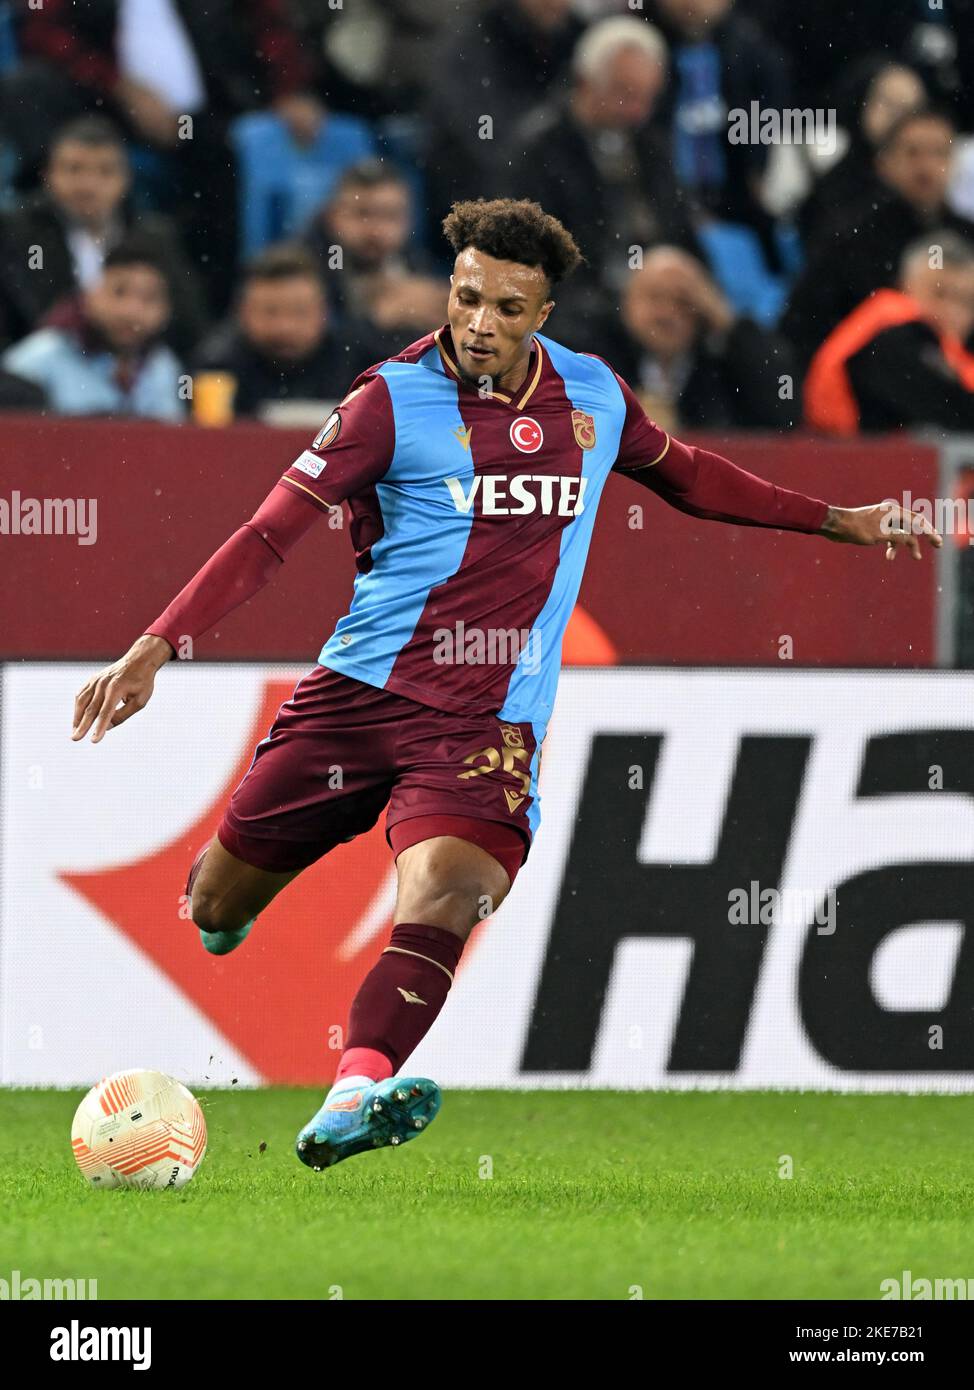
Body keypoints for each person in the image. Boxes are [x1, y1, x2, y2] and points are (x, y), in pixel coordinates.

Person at [71, 199, 940, 1170]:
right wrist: (155, 644)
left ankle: (351, 1089)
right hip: (355, 699)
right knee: (218, 909)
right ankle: (228, 916)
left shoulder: (594, 395)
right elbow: (270, 530)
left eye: (508, 307)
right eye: (467, 296)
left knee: (449, 890)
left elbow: (689, 475)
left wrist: (839, 522)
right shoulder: (386, 402)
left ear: (545, 311)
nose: (480, 323)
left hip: (489, 718)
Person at [504, 17, 699, 347]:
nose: (638, 111)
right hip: (584, 310)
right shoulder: (538, 153)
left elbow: (680, 231)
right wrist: (625, 298)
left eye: (648, 98)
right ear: (585, 82)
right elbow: (538, 264)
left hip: (656, 292)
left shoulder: (651, 146)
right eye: (625, 93)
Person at [783, 107, 974, 366]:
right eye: (912, 153)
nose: (926, 167)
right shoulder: (850, 236)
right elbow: (806, 324)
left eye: (939, 153)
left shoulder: (966, 236)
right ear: (884, 163)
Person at [0, 115, 206, 355]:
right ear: (48, 176)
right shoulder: (16, 232)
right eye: (74, 169)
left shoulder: (155, 237)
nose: (88, 185)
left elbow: (190, 326)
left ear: (126, 180)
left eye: (105, 171)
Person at [605, 246, 798, 430]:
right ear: (627, 302)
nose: (667, 313)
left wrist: (724, 318)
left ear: (703, 312)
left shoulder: (720, 373)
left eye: (683, 301)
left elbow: (783, 413)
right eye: (655, 297)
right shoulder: (601, 360)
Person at [804, 231, 974, 434]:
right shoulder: (890, 340)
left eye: (966, 301)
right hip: (851, 459)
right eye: (940, 294)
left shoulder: (941, 349)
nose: (953, 310)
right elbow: (947, 413)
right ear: (905, 286)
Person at [2, 237, 184, 420]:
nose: (131, 311)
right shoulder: (41, 357)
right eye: (119, 292)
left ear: (166, 312)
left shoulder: (163, 367)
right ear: (90, 295)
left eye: (148, 298)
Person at [192, 245, 381, 419]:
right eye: (270, 312)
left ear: (324, 313)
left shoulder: (360, 363)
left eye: (299, 312)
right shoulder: (216, 368)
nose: (285, 327)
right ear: (243, 312)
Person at [303, 161, 448, 360]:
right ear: (333, 216)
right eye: (362, 214)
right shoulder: (305, 268)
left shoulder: (414, 261)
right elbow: (310, 350)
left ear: (409, 220)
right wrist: (379, 320)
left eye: (390, 216)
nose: (376, 230)